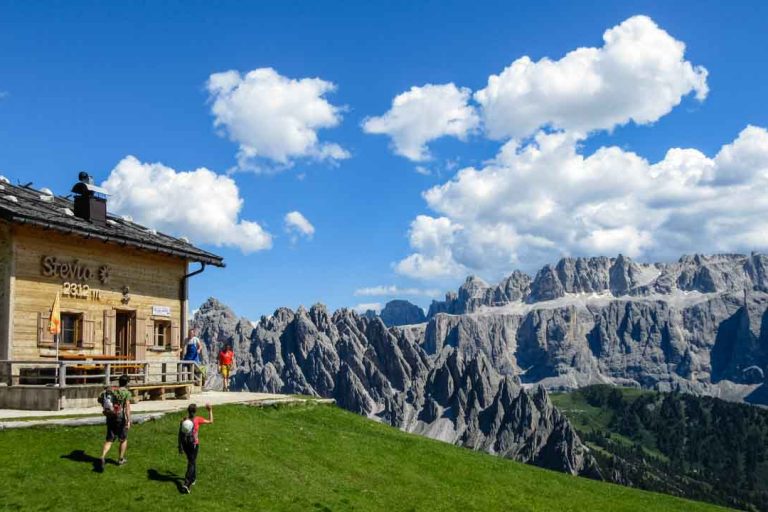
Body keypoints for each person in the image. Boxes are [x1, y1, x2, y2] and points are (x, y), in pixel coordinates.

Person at [97, 374, 132, 470]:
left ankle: (102, 456)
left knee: (109, 439)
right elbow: (127, 408)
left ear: (119, 381)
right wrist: (128, 420)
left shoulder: (111, 391)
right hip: (120, 418)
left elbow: (99, 400)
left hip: (110, 416)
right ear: (127, 383)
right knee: (123, 439)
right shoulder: (126, 393)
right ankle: (121, 459)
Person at [178, 403, 214, 494]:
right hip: (194, 444)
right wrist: (210, 411)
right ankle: (186, 484)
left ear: (188, 411)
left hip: (185, 444)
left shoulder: (183, 420)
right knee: (191, 462)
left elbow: (180, 434)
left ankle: (193, 479)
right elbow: (211, 421)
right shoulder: (197, 419)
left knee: (192, 460)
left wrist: (180, 446)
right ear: (195, 411)